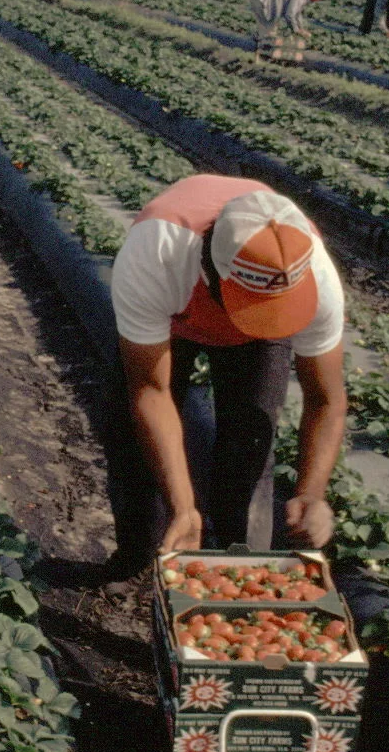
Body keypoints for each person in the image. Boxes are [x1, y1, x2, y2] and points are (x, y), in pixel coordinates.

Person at [109, 175, 347, 553]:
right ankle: (135, 555)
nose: (255, 321)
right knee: (136, 439)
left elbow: (327, 398)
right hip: (177, 315)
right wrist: (184, 506)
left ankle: (241, 559)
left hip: (237, 297)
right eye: (251, 308)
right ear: (212, 272)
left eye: (274, 311)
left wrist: (312, 494)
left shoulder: (314, 276)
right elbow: (152, 391)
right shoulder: (155, 254)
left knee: (250, 439)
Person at [249, 0, 323, 62]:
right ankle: (259, 58)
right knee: (268, 29)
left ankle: (259, 51)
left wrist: (300, 28)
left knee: (268, 28)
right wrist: (297, 30)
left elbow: (297, 14)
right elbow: (290, 15)